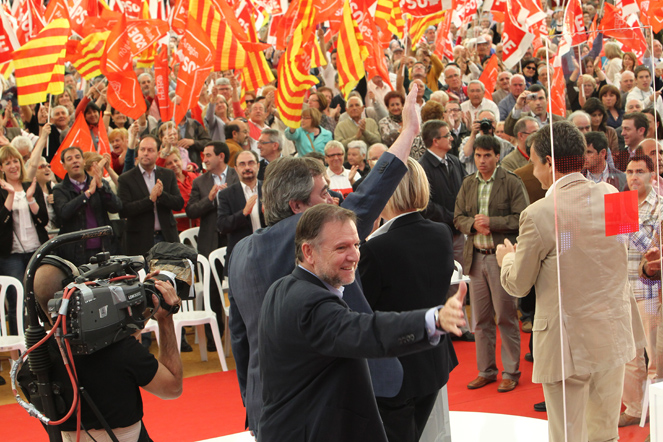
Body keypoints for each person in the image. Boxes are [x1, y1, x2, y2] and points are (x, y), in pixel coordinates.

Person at [228, 84, 422, 436]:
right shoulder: (312, 233)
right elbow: (372, 192)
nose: (334, 200)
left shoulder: (239, 251)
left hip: (267, 404)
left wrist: (250, 395)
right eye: (324, 194)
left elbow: (239, 337)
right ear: (298, 207)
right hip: (326, 405)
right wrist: (408, 131)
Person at [258, 203, 467, 442]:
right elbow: (366, 331)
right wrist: (433, 320)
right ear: (308, 252)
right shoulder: (311, 304)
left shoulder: (281, 287)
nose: (355, 255)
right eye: (341, 247)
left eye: (357, 244)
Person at [497, 120, 638, 442]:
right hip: (613, 331)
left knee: (567, 435)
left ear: (549, 162)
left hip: (567, 341)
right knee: (605, 432)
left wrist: (507, 259)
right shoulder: (614, 194)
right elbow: (624, 252)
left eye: (533, 161)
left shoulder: (538, 213)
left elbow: (518, 285)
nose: (532, 171)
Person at [23, 259, 183, 441]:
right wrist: (165, 318)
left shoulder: (32, 366)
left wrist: (145, 309)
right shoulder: (120, 351)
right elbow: (172, 388)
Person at [358, 157, 459, 442]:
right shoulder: (441, 232)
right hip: (433, 361)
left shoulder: (376, 248)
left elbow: (360, 311)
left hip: (394, 372)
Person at [454, 135, 528, 393]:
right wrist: (472, 224)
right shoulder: (468, 183)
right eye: (478, 155)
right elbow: (458, 217)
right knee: (481, 319)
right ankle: (486, 370)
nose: (482, 160)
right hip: (475, 257)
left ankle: (511, 371)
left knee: (506, 316)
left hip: (501, 257)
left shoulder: (511, 181)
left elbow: (522, 218)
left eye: (487, 155)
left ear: (497, 156)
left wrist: (492, 223)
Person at [620, 155, 663, 429]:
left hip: (650, 292)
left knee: (654, 358)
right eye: (630, 171)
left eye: (640, 172)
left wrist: (624, 222)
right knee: (628, 356)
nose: (634, 176)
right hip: (621, 290)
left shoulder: (660, 207)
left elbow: (655, 250)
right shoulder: (619, 204)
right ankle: (634, 408)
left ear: (651, 175)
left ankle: (658, 416)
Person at [0, 145, 49, 336]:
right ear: (1, 168)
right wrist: (11, 195)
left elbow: (43, 219)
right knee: (17, 302)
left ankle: (48, 344)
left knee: (43, 297)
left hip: (36, 250)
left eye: (15, 161)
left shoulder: (31, 186)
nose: (13, 166)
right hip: (11, 255)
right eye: (7, 163)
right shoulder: (3, 190)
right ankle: (19, 348)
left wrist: (30, 200)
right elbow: (1, 223)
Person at [52, 147, 122, 266]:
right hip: (75, 254)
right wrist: (87, 194)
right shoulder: (60, 189)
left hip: (104, 248)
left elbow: (117, 207)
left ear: (84, 161)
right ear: (63, 165)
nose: (75, 161)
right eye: (69, 159)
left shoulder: (100, 182)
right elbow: (64, 212)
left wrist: (101, 187)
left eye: (78, 157)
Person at [117, 136, 184, 257]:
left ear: (158, 153)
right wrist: (149, 200)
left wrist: (161, 195)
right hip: (140, 242)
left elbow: (178, 203)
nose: (145, 153)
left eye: (150, 150)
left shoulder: (167, 174)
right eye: (142, 149)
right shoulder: (126, 178)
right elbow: (124, 210)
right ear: (138, 152)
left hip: (167, 238)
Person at [216, 150, 266, 268]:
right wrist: (243, 213)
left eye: (251, 163)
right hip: (241, 255)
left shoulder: (269, 188)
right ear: (236, 168)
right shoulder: (226, 194)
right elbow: (222, 226)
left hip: (269, 249)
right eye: (242, 164)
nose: (247, 167)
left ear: (258, 165)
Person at [163, 149, 199, 232]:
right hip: (179, 229)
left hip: (198, 225)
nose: (174, 165)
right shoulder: (167, 183)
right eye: (169, 163)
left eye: (176, 160)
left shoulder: (192, 176)